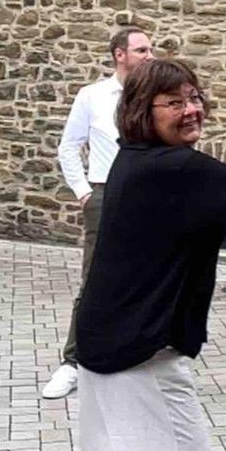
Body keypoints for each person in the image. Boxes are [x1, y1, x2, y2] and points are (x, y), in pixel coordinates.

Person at [72, 59, 226, 451]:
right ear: (143, 110)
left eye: (194, 97)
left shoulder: (133, 157)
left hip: (105, 343)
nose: (191, 109)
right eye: (174, 102)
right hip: (141, 354)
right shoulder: (173, 169)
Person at [44, 28, 155, 399]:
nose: (149, 55)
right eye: (142, 50)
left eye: (150, 49)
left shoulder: (156, 96)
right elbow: (68, 147)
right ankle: (73, 362)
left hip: (148, 198)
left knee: (146, 281)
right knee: (95, 281)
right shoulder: (92, 97)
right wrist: (84, 193)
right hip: (106, 194)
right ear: (119, 54)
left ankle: (135, 357)